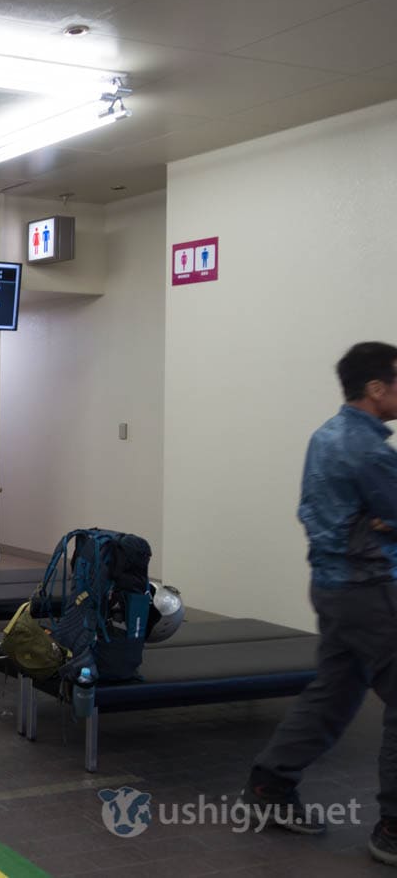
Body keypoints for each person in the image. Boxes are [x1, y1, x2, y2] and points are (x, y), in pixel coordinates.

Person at [244, 342, 397, 863]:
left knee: (335, 691)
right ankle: (392, 831)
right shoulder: (371, 452)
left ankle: (270, 785)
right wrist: (382, 522)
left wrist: (381, 520)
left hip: (331, 587)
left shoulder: (325, 436)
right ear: (377, 389)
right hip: (370, 591)